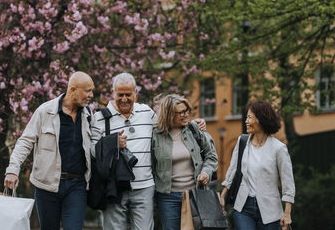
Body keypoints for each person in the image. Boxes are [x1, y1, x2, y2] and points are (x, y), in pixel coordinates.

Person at [91, 73, 206, 230]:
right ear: (113, 92)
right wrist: (112, 143)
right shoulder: (99, 118)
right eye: (120, 94)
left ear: (135, 93)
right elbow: (92, 151)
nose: (124, 99)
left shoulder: (146, 112)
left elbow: (168, 124)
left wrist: (193, 123)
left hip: (144, 188)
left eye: (128, 94)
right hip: (114, 188)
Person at [4, 71, 95, 230]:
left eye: (91, 90)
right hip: (46, 186)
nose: (91, 95)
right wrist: (12, 170)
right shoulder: (45, 111)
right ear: (72, 90)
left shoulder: (88, 115)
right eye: (87, 90)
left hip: (77, 186)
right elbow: (25, 141)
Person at [220, 100, 295, 230]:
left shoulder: (279, 148)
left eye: (249, 117)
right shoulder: (242, 141)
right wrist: (223, 195)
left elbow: (287, 181)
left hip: (270, 210)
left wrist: (287, 213)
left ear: (261, 120)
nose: (246, 121)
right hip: (243, 207)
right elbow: (232, 170)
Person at [151, 94, 218, 230]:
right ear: (169, 114)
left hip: (195, 194)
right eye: (181, 112)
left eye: (187, 111)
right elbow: (151, 167)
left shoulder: (194, 129)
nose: (186, 115)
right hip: (167, 197)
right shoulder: (155, 135)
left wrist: (206, 172)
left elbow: (211, 156)